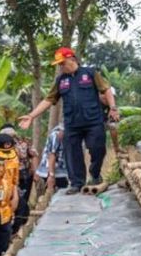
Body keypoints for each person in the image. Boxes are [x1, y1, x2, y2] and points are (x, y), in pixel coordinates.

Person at [18, 47, 119, 194]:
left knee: (98, 148)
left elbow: (106, 90)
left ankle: (95, 174)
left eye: (62, 63)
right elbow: (48, 100)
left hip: (93, 121)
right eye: (59, 64)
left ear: (72, 59)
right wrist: (32, 116)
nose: (61, 67)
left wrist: (113, 108)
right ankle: (77, 183)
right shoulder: (61, 80)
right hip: (72, 124)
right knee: (72, 153)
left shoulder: (90, 73)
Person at [35, 124, 69, 190]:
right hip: (52, 171)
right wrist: (51, 175)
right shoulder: (55, 135)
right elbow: (51, 155)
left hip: (62, 171)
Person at [100, 86, 121, 153]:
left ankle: (116, 147)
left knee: (113, 126)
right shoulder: (94, 103)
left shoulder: (112, 106)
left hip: (103, 124)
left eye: (113, 97)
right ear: (102, 95)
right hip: (91, 125)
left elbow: (112, 122)